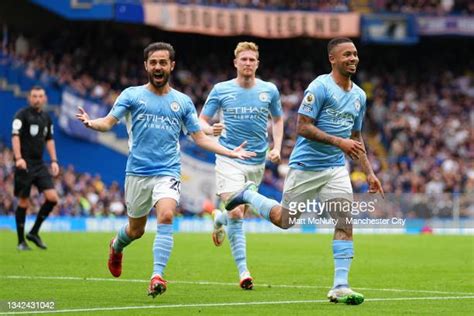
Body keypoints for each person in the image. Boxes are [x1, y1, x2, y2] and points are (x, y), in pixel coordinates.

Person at [75, 42, 255, 298]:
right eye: (153, 63)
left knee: (167, 216)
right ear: (146, 66)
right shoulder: (131, 95)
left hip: (168, 171)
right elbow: (108, 121)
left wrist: (229, 151)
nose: (158, 67)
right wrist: (92, 123)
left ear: (172, 65)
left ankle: (157, 276)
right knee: (135, 230)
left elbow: (199, 137)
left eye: (163, 62)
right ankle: (116, 245)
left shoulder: (182, 102)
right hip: (137, 173)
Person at [224, 37, 384, 305]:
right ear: (333, 59)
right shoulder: (319, 87)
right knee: (285, 221)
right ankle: (249, 194)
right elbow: (303, 126)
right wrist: (339, 141)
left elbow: (356, 136)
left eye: (355, 54)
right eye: (347, 55)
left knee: (345, 221)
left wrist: (369, 172)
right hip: (305, 166)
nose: (353, 58)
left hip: (335, 168)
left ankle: (340, 286)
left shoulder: (359, 96)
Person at [199, 41, 283, 290]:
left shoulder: (270, 90)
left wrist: (277, 147)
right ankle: (244, 271)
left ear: (257, 63)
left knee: (238, 210)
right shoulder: (221, 89)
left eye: (251, 60)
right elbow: (201, 120)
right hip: (228, 156)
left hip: (256, 162)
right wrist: (209, 129)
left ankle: (218, 219)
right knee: (238, 211)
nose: (247, 63)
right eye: (243, 59)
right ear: (235, 62)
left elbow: (278, 119)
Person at [12, 86, 60, 251]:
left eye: (40, 96)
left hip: (39, 164)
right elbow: (15, 136)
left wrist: (54, 160)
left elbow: (50, 140)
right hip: (24, 163)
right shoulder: (22, 115)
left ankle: (33, 232)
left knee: (53, 198)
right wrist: (18, 158)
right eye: (34, 96)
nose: (37, 99)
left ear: (45, 98)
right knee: (24, 201)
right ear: (29, 98)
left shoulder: (47, 118)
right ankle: (20, 241)